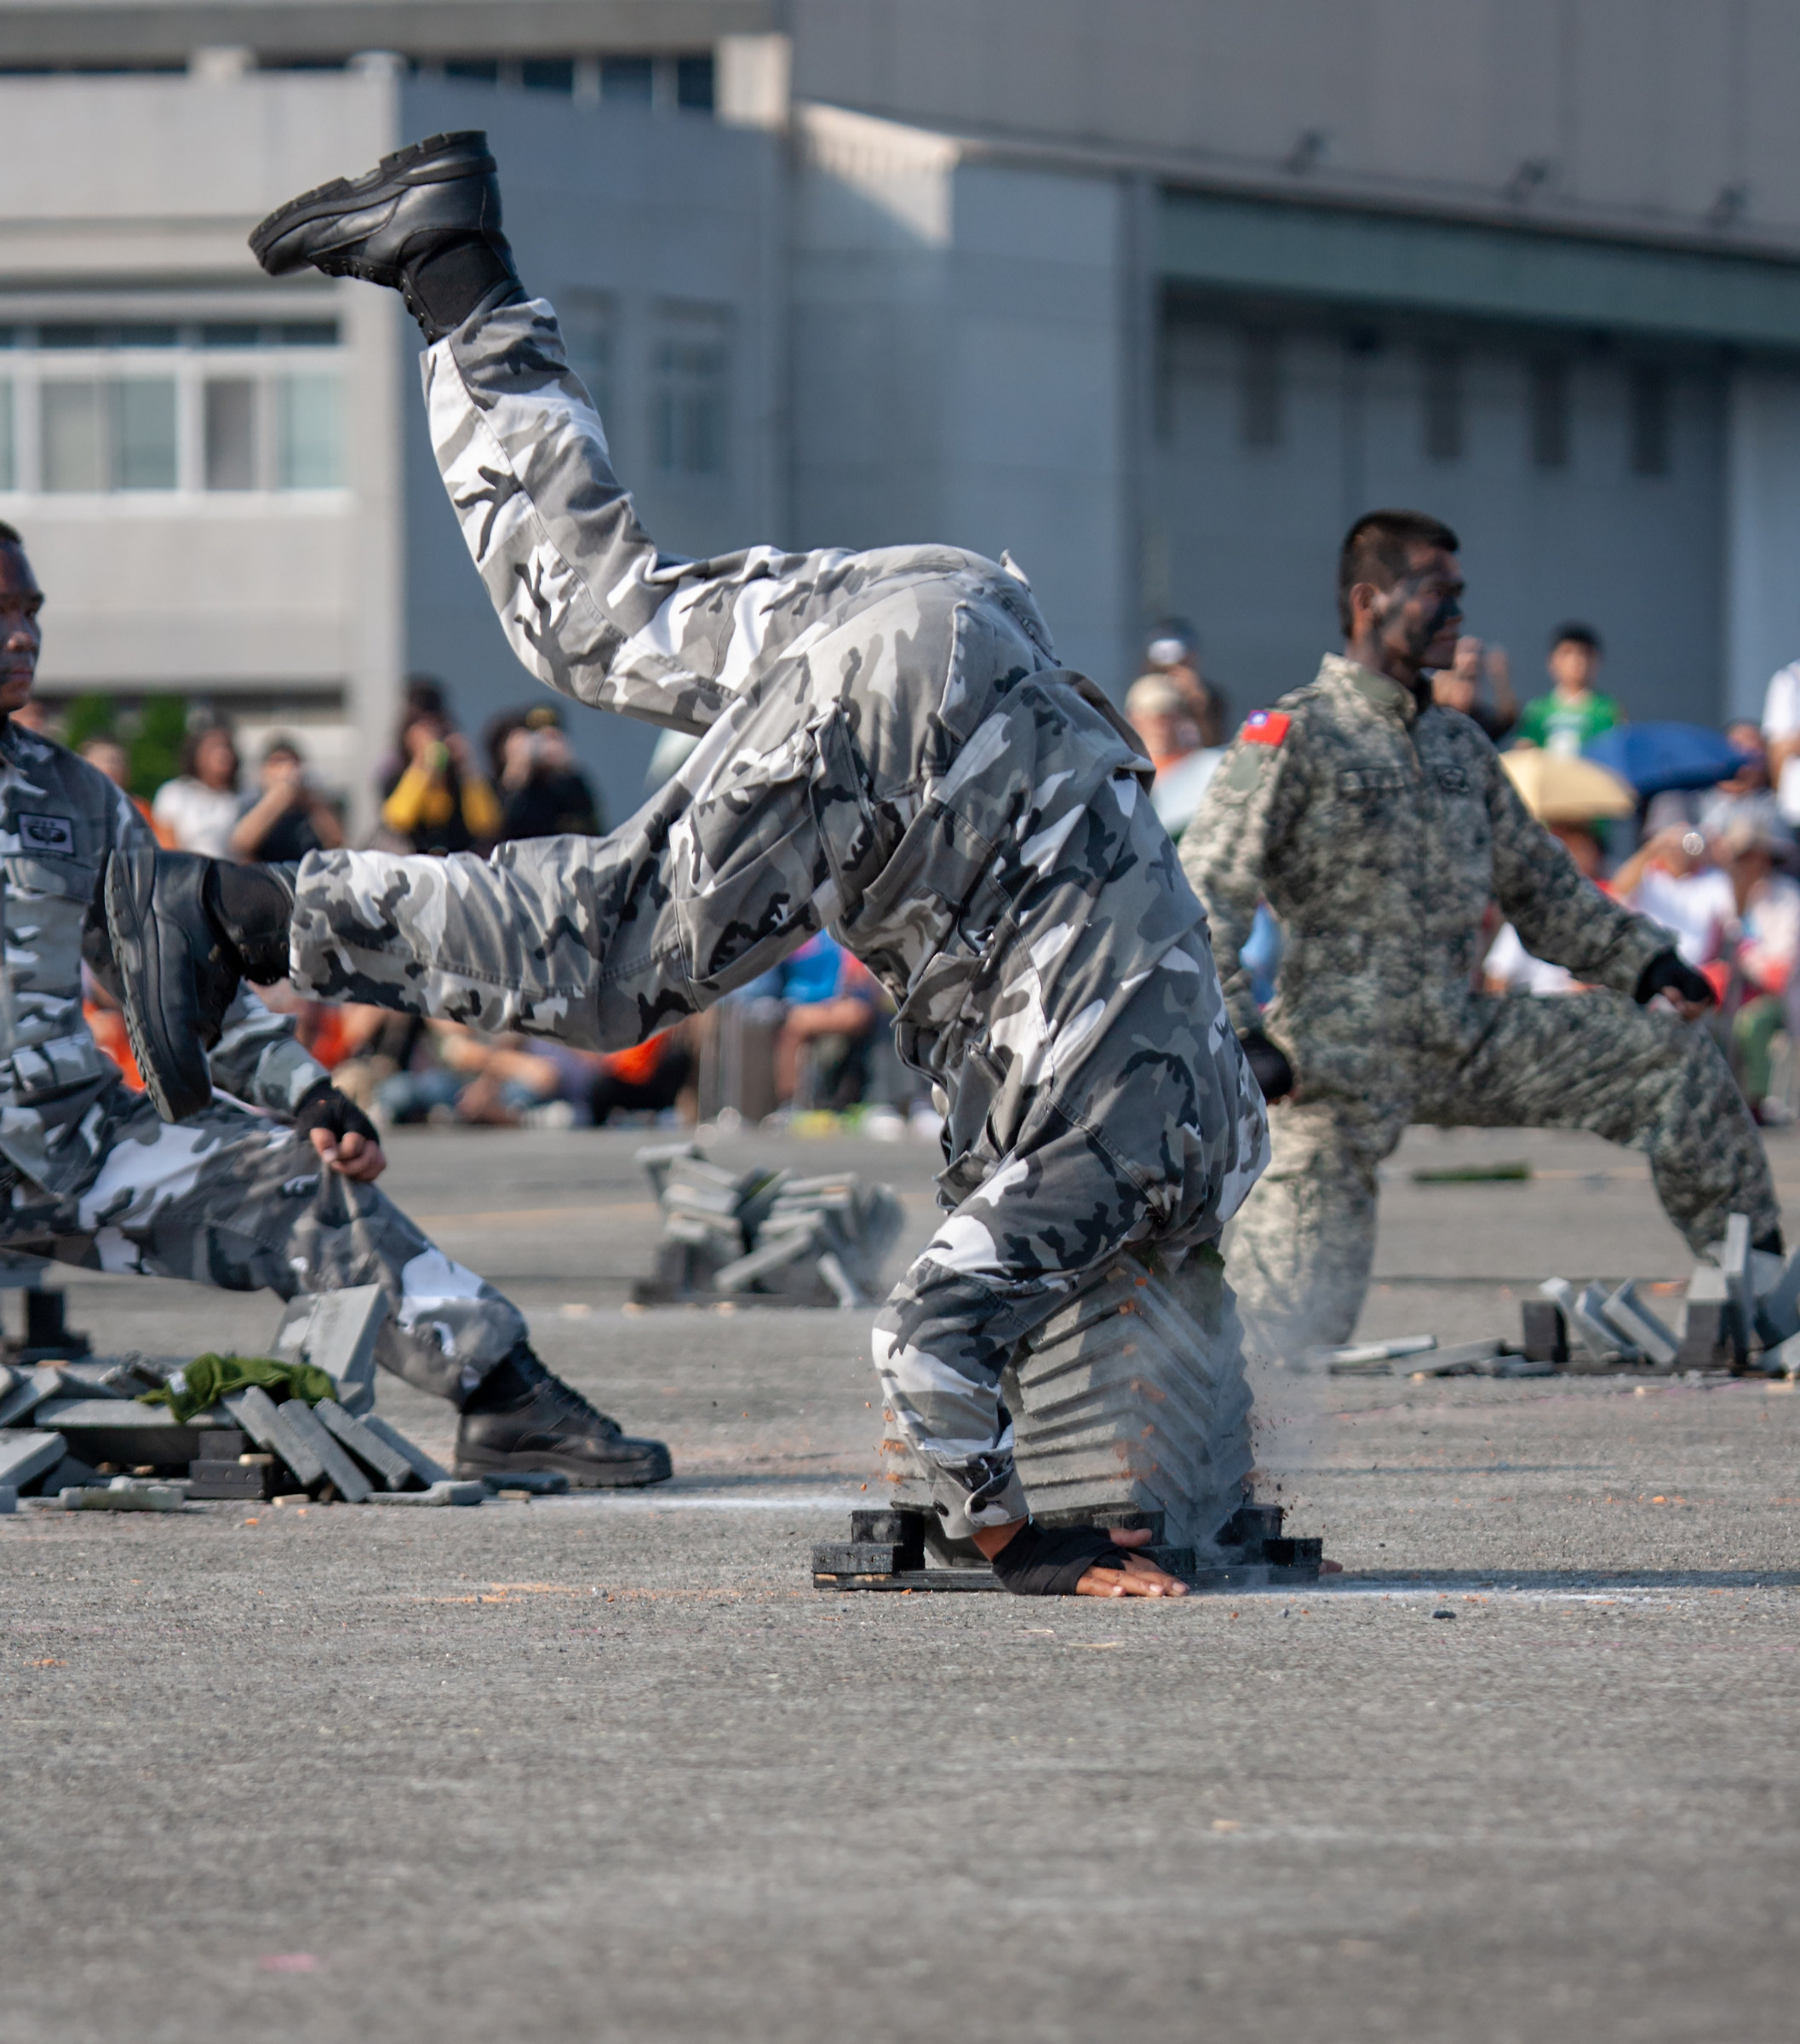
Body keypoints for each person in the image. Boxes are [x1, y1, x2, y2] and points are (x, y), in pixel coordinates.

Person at [107, 129, 1273, 1599]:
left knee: (594, 620)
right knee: (608, 954)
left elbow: (1181, 1348)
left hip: (958, 620)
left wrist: (1199, 1491)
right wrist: (1012, 1539)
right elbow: (926, 1332)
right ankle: (238, 906)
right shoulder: (1107, 1185)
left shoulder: (1210, 1143)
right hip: (921, 728)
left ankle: (449, 260)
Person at [0, 520, 667, 1488]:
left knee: (296, 1181)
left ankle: (505, 1397)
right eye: (0, 615)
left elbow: (170, 980)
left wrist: (307, 1096)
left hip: (70, 1141)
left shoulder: (77, 798)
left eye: (29, 613)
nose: (22, 636)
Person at [1180, 508, 1778, 1360]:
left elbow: (1543, 892)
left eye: (1458, 595)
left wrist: (1646, 962)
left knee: (1672, 1059)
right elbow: (1204, 892)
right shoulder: (1290, 736)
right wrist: (1238, 1036)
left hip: (1464, 1037)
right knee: (1280, 1343)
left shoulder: (1458, 747)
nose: (1457, 617)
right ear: (1367, 600)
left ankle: (1765, 1304)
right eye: (1436, 594)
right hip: (1328, 1066)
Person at [380, 694, 502, 855]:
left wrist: (468, 768)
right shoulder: (395, 777)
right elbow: (398, 820)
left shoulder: (462, 781)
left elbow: (486, 824)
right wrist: (423, 767)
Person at [1124, 672, 1222, 841]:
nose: (1159, 722)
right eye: (1149, 713)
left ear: (1181, 717)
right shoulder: (1119, 772)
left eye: (1167, 713)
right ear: (1132, 718)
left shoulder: (1210, 768)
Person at [488, 702, 604, 841]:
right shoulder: (507, 786)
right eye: (538, 740)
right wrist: (517, 772)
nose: (544, 749)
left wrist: (567, 771)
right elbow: (497, 831)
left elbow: (591, 830)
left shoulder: (571, 782)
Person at [232, 735, 345, 864]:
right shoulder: (251, 800)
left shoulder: (311, 803)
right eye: (278, 762)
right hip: (264, 877)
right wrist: (279, 797)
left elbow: (337, 841)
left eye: (293, 762)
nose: (287, 769)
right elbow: (241, 844)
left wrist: (311, 803)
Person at [1514, 623, 1622, 756]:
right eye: (1567, 653)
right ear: (1553, 661)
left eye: (1583, 654)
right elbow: (1523, 756)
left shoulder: (1608, 710)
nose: (1576, 660)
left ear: (1595, 661)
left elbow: (1618, 756)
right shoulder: (1537, 711)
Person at [152, 718, 244, 857]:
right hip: (186, 873)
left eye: (227, 747)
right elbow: (167, 847)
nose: (223, 755)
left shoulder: (240, 798)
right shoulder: (174, 792)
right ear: (196, 753)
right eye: (214, 748)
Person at [1430, 634, 1517, 744]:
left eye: (1472, 681)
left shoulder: (1478, 722)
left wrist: (1500, 677)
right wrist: (1452, 661)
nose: (1467, 689)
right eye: (1461, 679)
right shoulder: (1433, 717)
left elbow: (1507, 719)